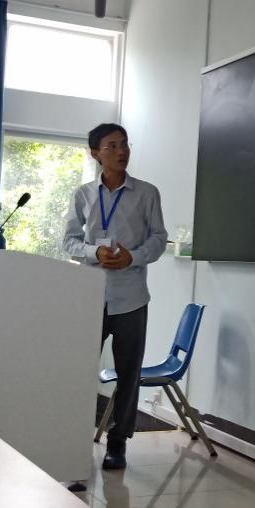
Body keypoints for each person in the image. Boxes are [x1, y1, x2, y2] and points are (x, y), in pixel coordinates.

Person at [63, 122, 168, 470]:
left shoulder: (147, 193)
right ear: (96, 153)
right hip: (90, 296)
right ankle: (72, 436)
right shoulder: (83, 195)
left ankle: (118, 442)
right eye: (112, 146)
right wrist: (94, 252)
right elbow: (69, 241)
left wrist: (132, 257)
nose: (121, 151)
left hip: (131, 298)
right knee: (80, 371)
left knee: (128, 373)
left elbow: (158, 239)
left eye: (124, 144)